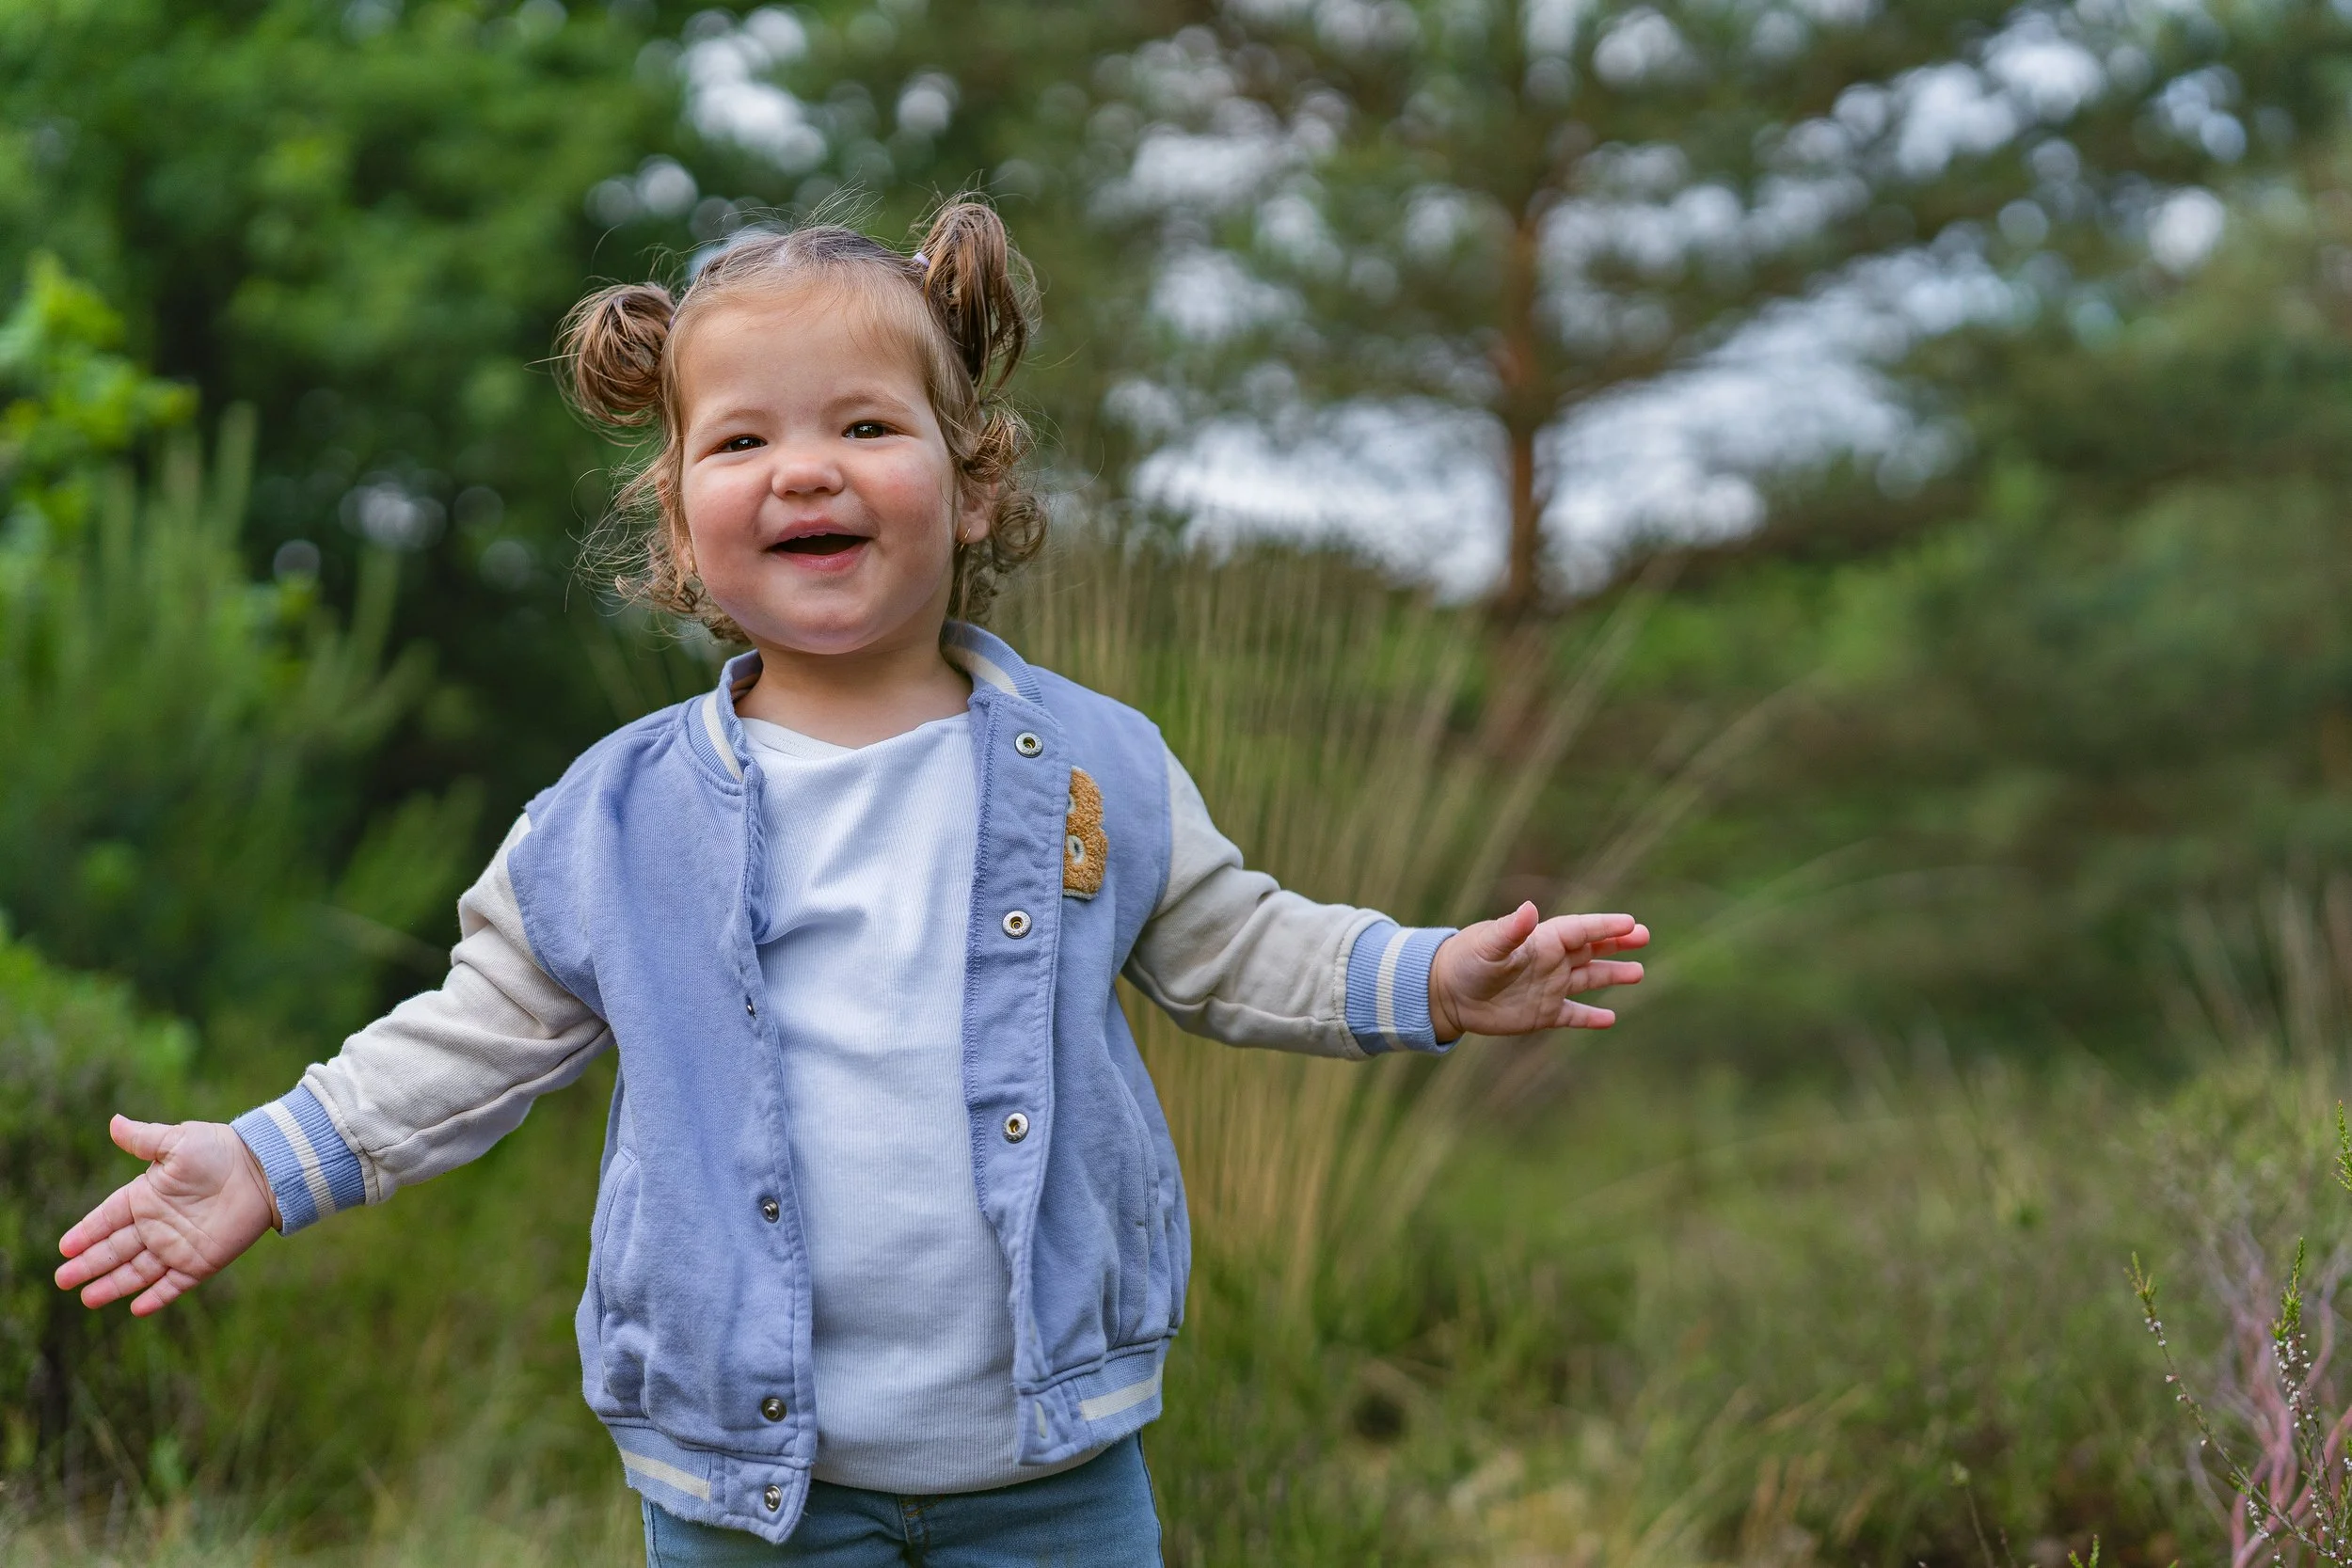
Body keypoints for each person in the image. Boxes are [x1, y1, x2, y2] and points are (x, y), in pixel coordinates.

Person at [53, 198, 1647, 1566]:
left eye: (866, 428)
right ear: (679, 513)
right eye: (743, 440)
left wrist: (1433, 977)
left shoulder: (1093, 764)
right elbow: (472, 1038)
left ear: (972, 477)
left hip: (1052, 1470)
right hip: (748, 1488)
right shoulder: (617, 817)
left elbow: (1236, 943)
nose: (805, 470)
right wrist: (266, 1157)